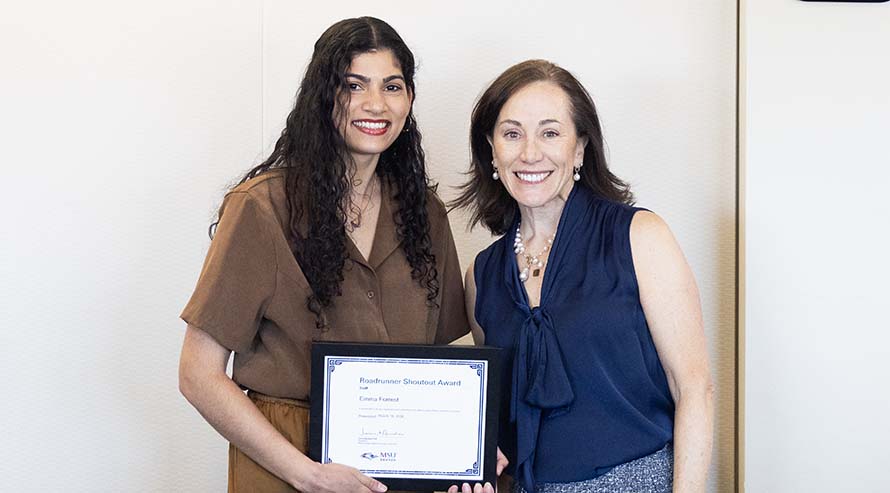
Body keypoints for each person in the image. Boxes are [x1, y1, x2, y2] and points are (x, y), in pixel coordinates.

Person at [178, 17, 469, 493]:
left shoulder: (425, 214)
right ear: (323, 95)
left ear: (409, 99)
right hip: (284, 461)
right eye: (353, 85)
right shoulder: (261, 208)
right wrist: (306, 473)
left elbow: (440, 363)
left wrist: (466, 448)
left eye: (392, 86)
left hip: (397, 466)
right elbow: (197, 374)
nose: (375, 104)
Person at [449, 60, 714, 493]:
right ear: (491, 149)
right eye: (512, 133)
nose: (530, 153)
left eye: (550, 133)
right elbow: (503, 422)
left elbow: (694, 389)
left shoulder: (640, 237)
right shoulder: (481, 275)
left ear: (579, 148)